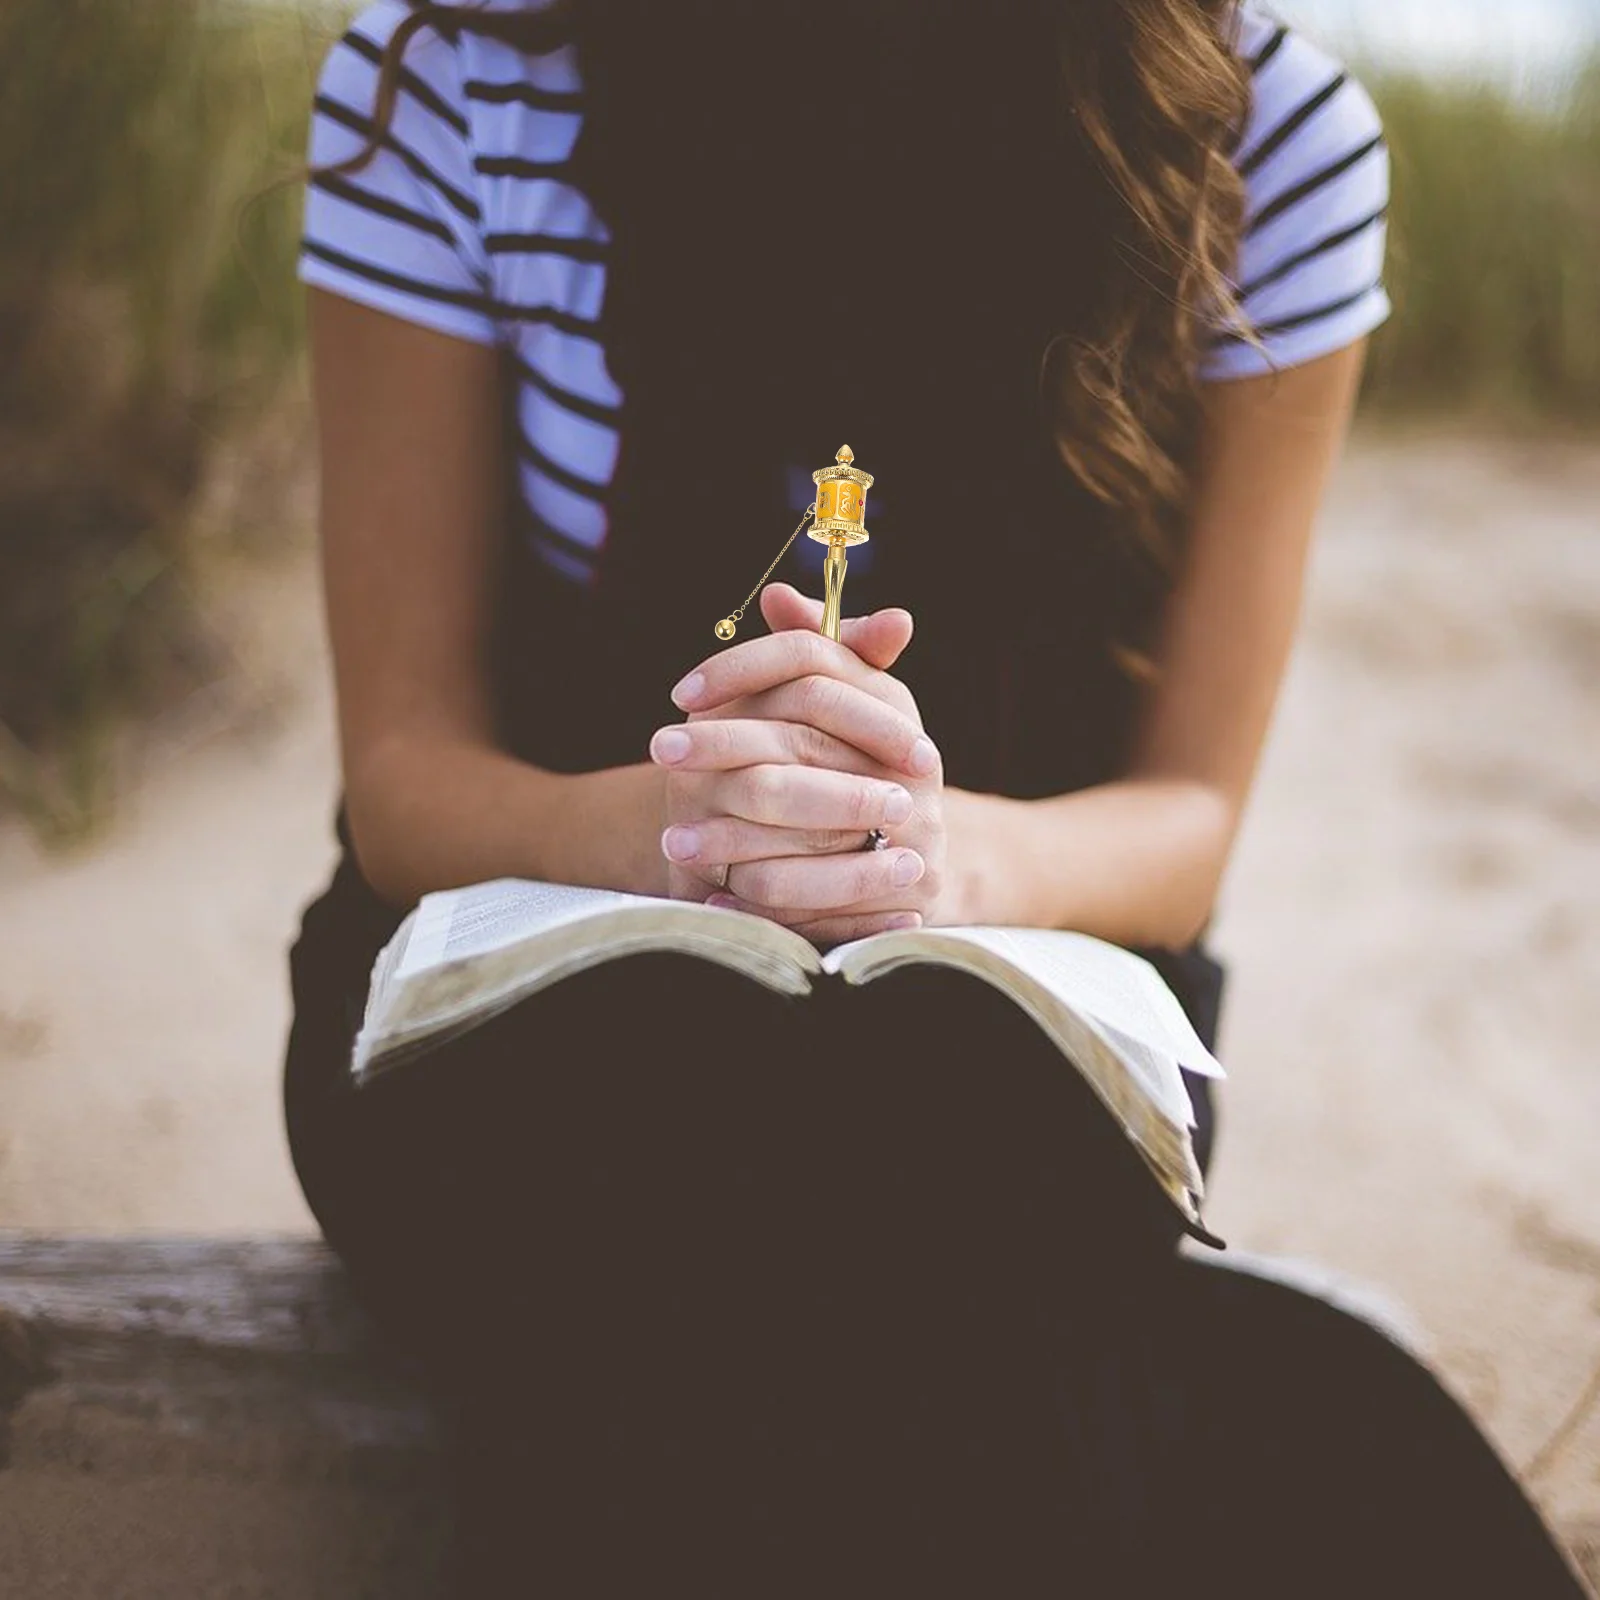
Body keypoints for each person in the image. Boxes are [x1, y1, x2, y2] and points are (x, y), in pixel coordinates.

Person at [282, 0, 1593, 1593]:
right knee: (671, 1166)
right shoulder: (461, 76)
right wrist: (695, 835)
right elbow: (404, 784)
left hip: (1023, 985)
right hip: (515, 963)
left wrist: (927, 857)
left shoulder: (1266, 143)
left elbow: (1185, 823)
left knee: (935, 1164)